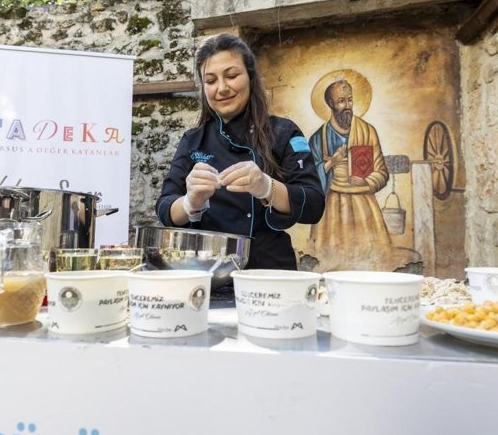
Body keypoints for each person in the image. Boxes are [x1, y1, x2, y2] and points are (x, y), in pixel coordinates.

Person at [155, 33, 325, 271]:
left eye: (232, 76)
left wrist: (266, 187)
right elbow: (165, 209)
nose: (222, 88)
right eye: (211, 81)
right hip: (206, 271)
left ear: (251, 77)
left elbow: (314, 205)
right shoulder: (193, 140)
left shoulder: (284, 132)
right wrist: (189, 202)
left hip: (268, 271)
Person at [308, 77, 391, 266]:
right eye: (341, 101)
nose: (347, 105)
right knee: (329, 263)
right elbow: (310, 181)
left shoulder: (367, 132)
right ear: (330, 104)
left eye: (350, 99)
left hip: (364, 206)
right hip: (331, 209)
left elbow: (382, 172)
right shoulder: (318, 139)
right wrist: (331, 163)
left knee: (372, 260)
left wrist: (368, 182)